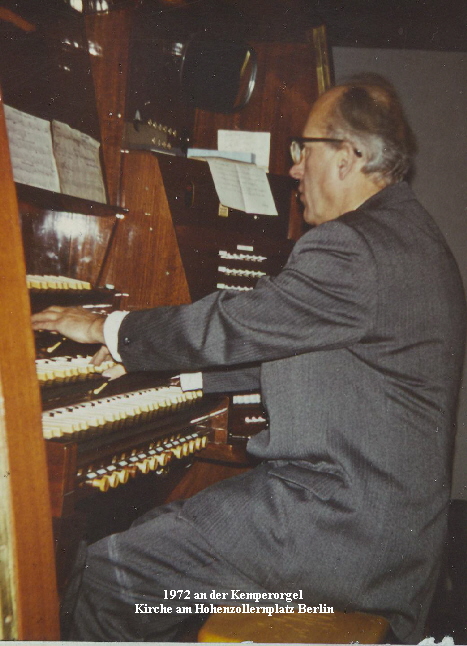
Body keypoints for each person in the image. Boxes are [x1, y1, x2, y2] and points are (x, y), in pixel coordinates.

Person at [32, 74, 466, 644]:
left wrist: (108, 327)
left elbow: (238, 321)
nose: (292, 168)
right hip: (380, 535)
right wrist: (164, 369)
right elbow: (312, 353)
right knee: (158, 537)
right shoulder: (409, 235)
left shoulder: (354, 246)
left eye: (300, 149)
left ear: (347, 156)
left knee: (116, 574)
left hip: (337, 536)